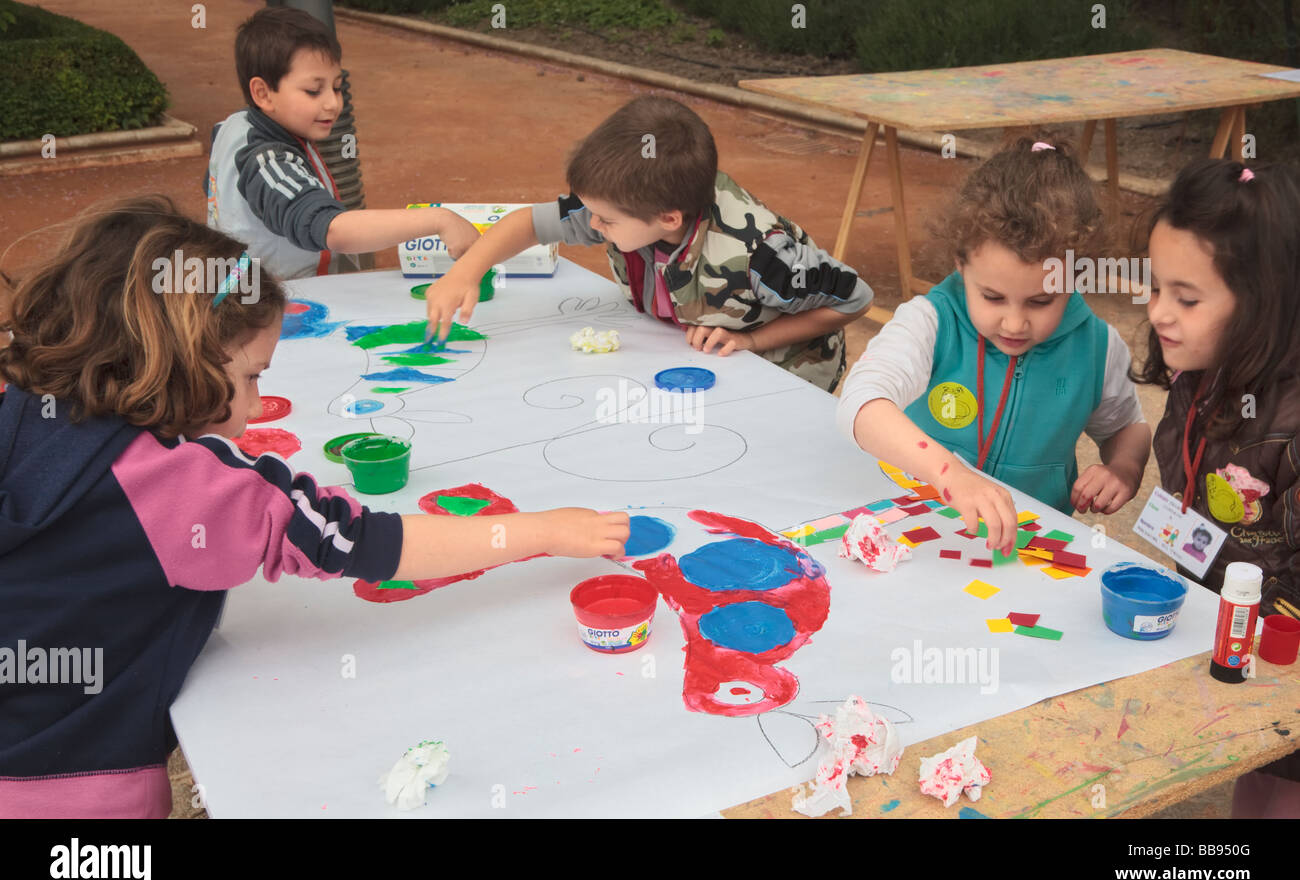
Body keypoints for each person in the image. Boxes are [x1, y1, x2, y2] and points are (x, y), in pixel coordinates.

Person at [0, 197, 629, 818]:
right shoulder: (180, 484)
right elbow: (353, 539)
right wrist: (546, 531)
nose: (253, 405)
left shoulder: (21, 405)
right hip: (82, 785)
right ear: (176, 358)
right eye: (250, 376)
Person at [423, 96, 873, 392]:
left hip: (783, 377)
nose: (593, 224)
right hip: (707, 364)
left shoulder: (762, 255)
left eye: (606, 219)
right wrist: (465, 273)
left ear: (668, 219)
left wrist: (755, 341)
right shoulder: (628, 205)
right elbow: (528, 224)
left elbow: (855, 300)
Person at [835, 137, 1150, 554]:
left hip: (1022, 547)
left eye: (1041, 301)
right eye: (993, 297)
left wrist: (1124, 469)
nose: (1015, 322)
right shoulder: (932, 319)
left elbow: (1127, 426)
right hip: (914, 532)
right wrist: (950, 475)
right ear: (961, 263)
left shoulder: (1097, 346)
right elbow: (861, 404)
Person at [1132, 158, 1300, 817]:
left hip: (1281, 647)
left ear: (1264, 303)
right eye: (1156, 289)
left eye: (1187, 298)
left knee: (1278, 780)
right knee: (1257, 776)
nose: (1159, 313)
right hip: (1230, 617)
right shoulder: (1202, 367)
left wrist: (1264, 633)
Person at [205, 7, 480, 280]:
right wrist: (438, 220)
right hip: (275, 307)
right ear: (263, 93)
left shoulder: (234, 127)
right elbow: (332, 230)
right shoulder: (267, 160)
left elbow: (217, 187)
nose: (333, 103)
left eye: (336, 87)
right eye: (313, 91)